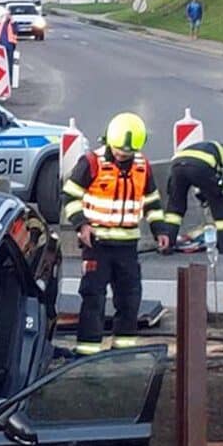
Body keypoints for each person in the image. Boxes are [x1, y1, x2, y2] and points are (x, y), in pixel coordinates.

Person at [61, 112, 167, 355]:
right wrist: (81, 224)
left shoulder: (142, 166)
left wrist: (160, 229)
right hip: (97, 244)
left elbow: (152, 201)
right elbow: (70, 195)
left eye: (127, 153)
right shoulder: (92, 162)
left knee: (130, 298)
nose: (122, 155)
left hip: (127, 246)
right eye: (119, 150)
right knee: (93, 298)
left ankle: (123, 350)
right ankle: (87, 351)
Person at [162, 140, 223, 254]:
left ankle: (167, 244)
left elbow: (203, 184)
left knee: (175, 208)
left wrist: (205, 198)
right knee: (222, 208)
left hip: (177, 165)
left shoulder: (211, 150)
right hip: (199, 166)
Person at [0, 6, 18, 84]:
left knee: (9, 63)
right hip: (2, 45)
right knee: (1, 64)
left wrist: (12, 22)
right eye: (6, 14)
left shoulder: (12, 22)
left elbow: (15, 31)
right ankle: (4, 80)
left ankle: (10, 80)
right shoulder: (1, 22)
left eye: (8, 14)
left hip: (9, 45)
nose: (7, 15)